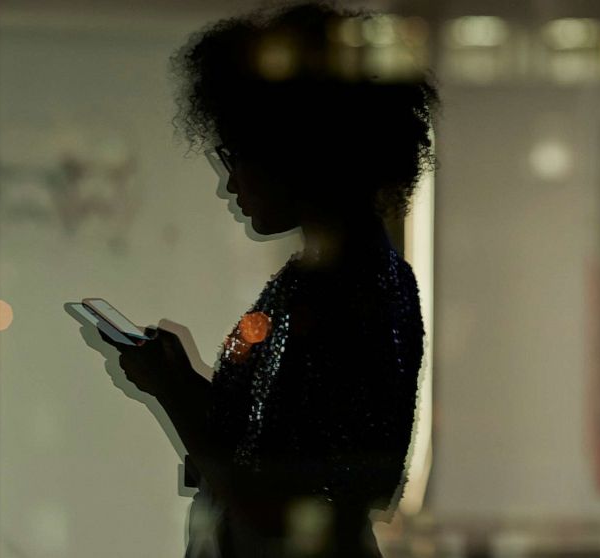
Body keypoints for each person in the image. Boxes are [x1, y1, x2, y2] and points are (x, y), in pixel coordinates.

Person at [85, 2, 438, 556]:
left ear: (296, 152)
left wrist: (173, 388)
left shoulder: (349, 292)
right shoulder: (329, 282)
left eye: (236, 155)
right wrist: (180, 381)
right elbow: (264, 452)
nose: (229, 183)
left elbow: (281, 496)